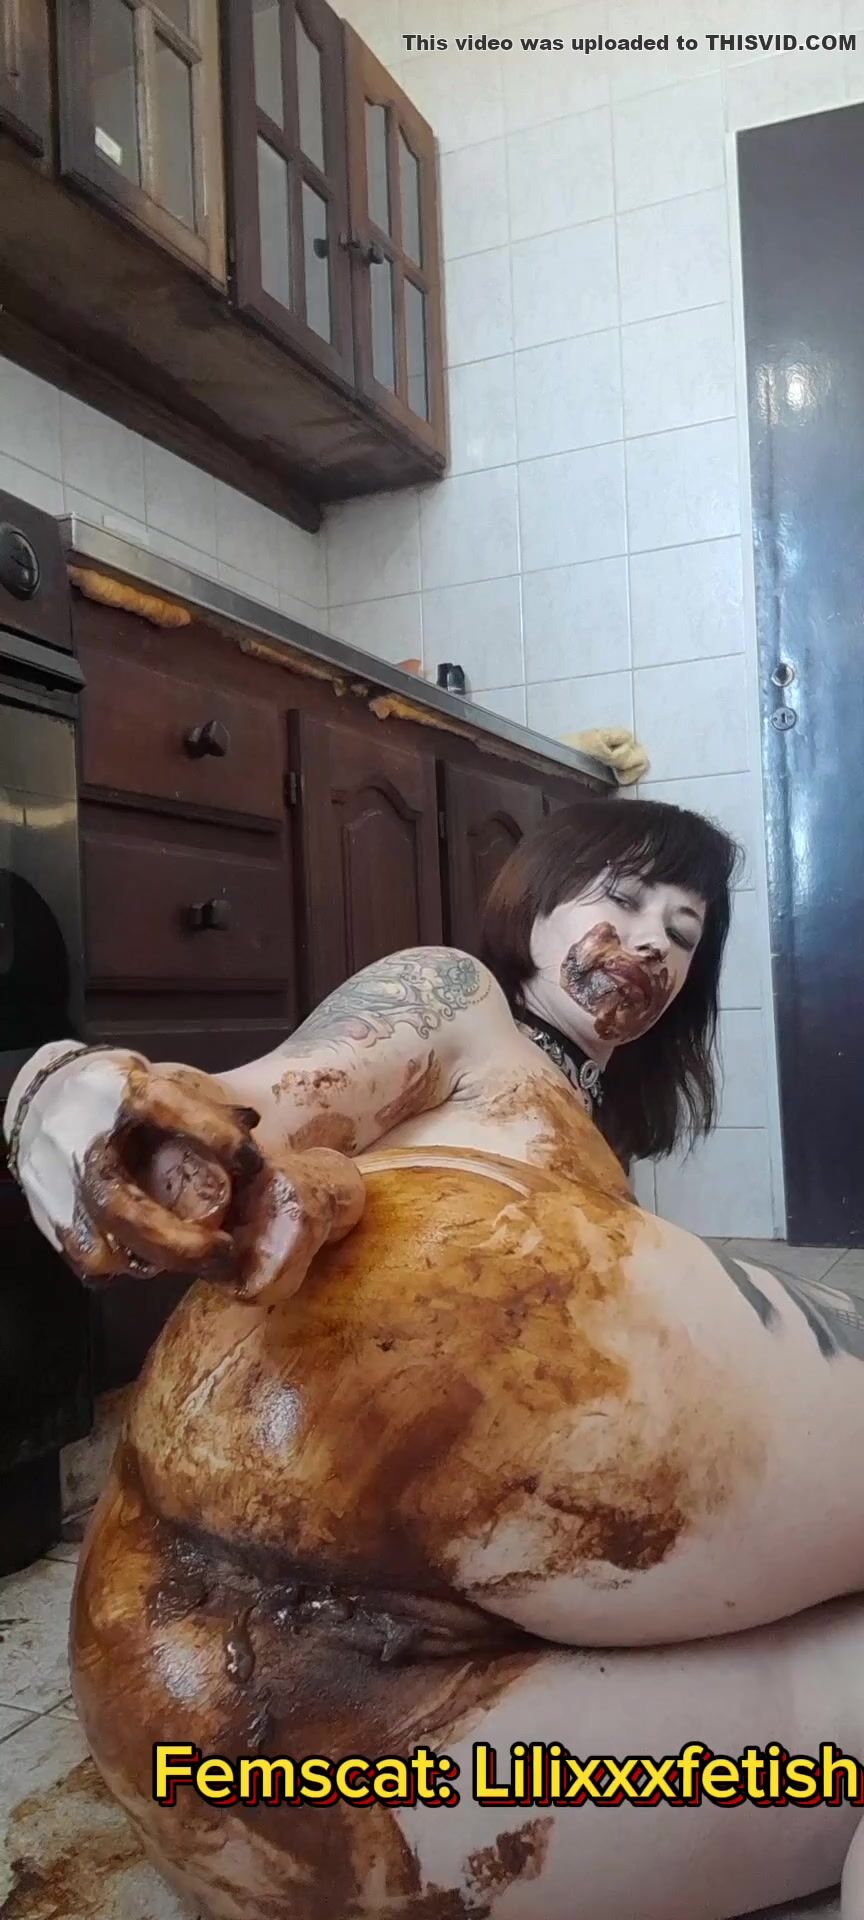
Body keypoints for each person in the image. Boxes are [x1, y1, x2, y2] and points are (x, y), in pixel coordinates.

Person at [7, 796, 864, 1919]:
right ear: (535, 903)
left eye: (684, 930)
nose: (649, 940)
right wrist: (62, 1087)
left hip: (208, 1738)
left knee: (827, 1728)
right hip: (459, 1339)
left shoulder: (586, 1140)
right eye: (620, 896)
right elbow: (253, 1105)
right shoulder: (460, 998)